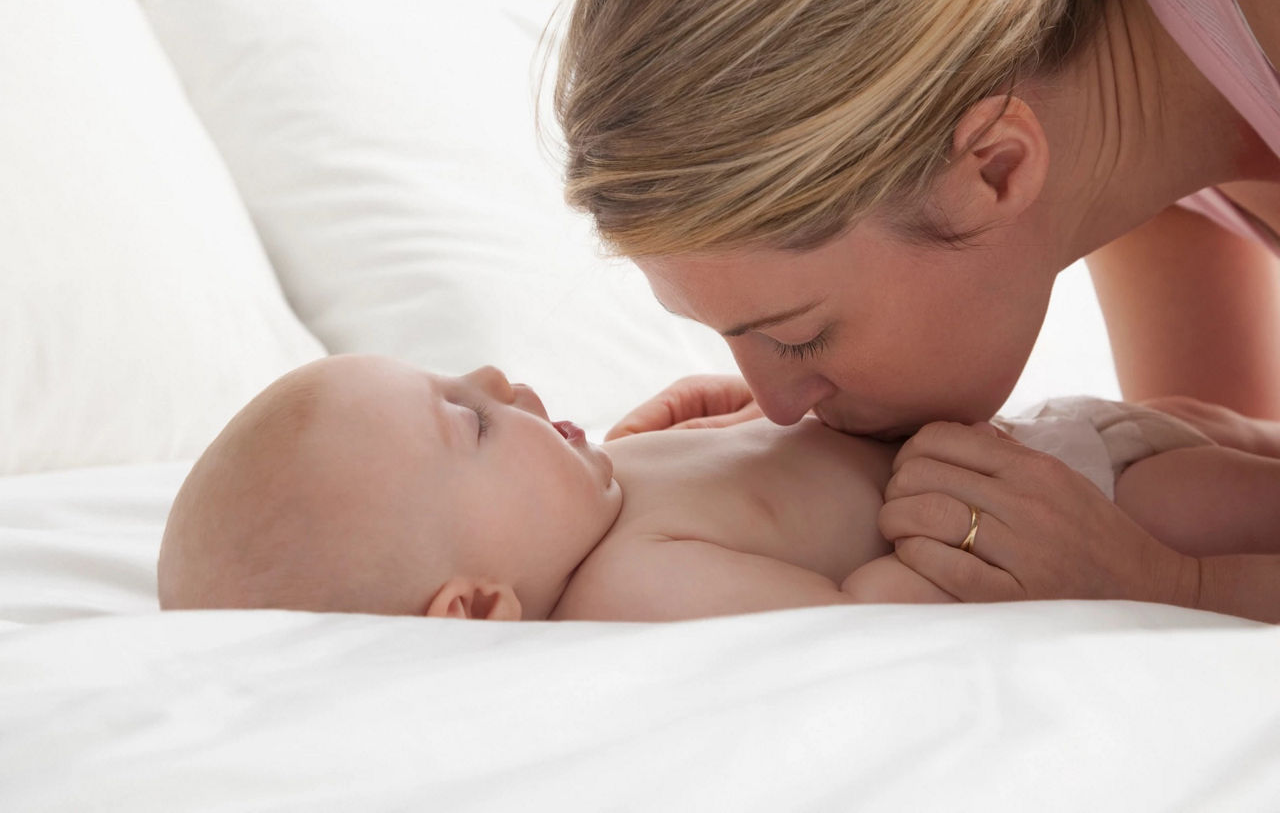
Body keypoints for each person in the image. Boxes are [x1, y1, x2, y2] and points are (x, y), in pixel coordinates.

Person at [551, 0, 1280, 619]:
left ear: (994, 169)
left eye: (799, 335)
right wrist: (822, 484)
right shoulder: (1133, 133)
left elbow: (1199, 558)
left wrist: (1169, 588)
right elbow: (1238, 485)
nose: (774, 407)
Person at [159, 356, 1280, 622]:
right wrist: (923, 554)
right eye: (466, 417)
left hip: (1046, 432)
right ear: (474, 607)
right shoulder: (633, 586)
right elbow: (846, 623)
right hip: (1073, 510)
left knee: (1249, 439)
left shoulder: (594, 494)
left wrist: (747, 415)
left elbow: (764, 474)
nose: (504, 378)